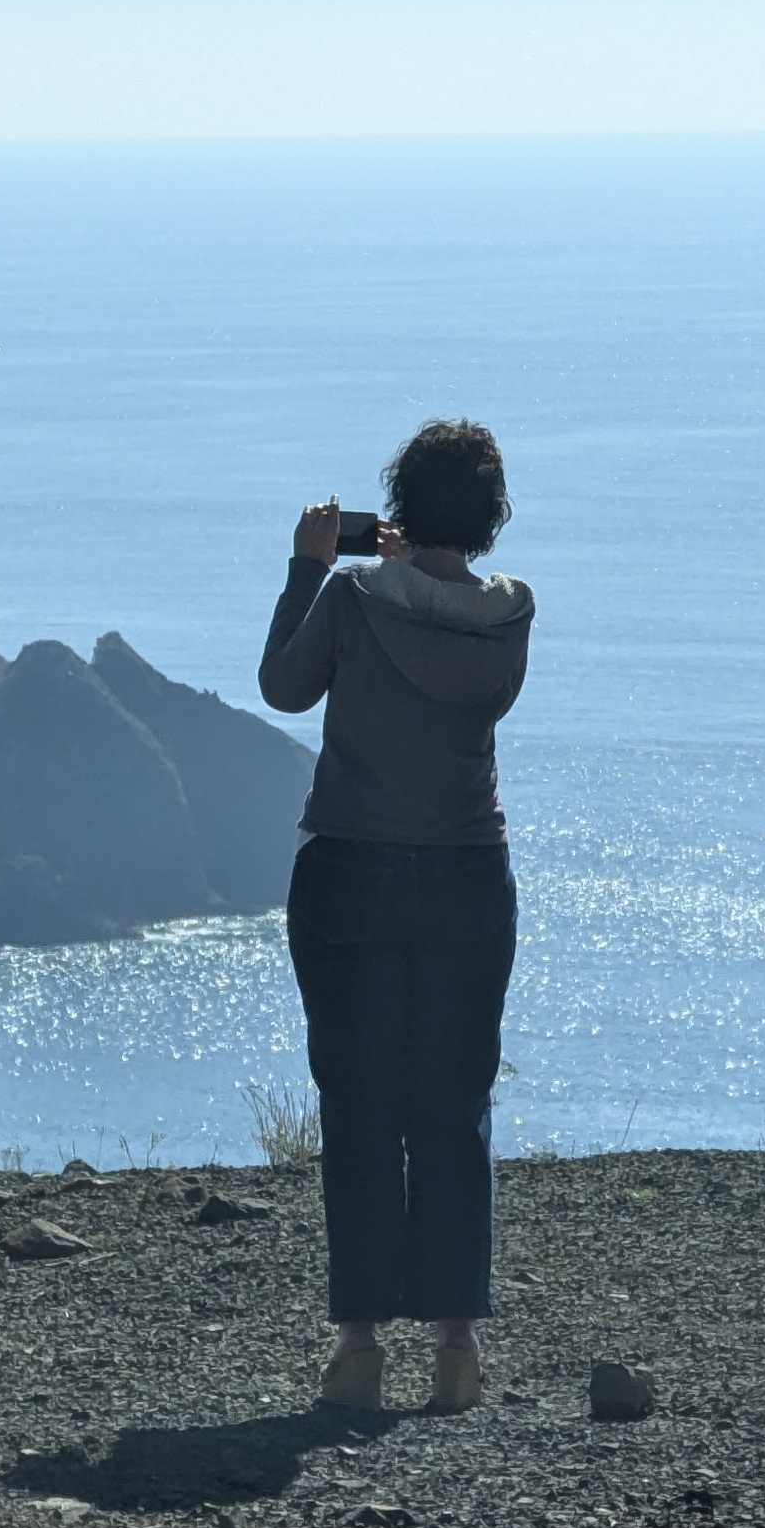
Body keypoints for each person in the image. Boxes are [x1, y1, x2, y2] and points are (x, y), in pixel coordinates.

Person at [259, 418, 534, 1415]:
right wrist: (424, 560)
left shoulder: (350, 597)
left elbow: (283, 687)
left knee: (361, 1107)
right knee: (453, 1107)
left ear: (402, 507)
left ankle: (359, 1348)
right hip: (470, 875)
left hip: (353, 870)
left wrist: (307, 567)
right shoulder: (509, 619)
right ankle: (457, 1350)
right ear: (492, 515)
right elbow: (448, 626)